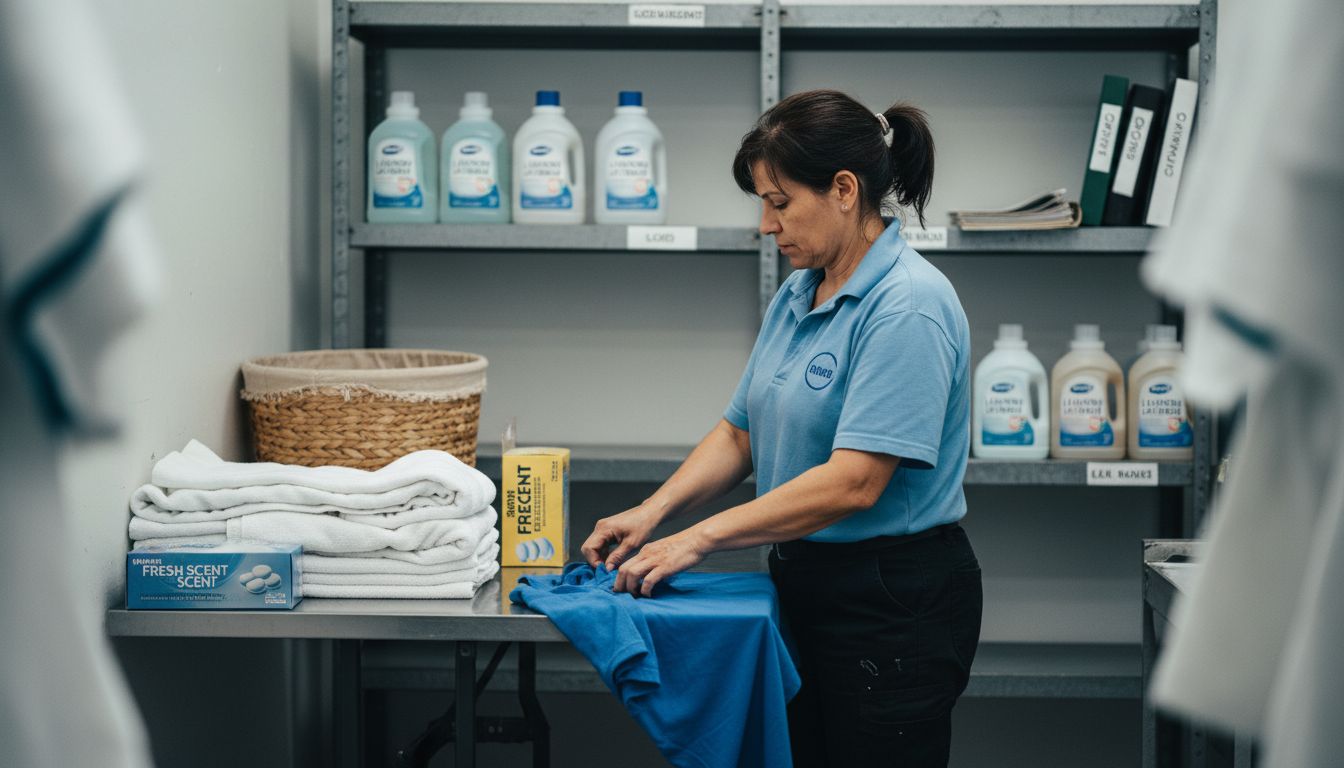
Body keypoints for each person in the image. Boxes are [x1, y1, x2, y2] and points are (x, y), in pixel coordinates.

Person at [581, 89, 982, 767]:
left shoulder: (907, 306)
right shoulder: (801, 291)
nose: (768, 225)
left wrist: (698, 540)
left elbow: (854, 484)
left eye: (779, 202)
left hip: (891, 601)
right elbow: (739, 433)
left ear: (844, 189)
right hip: (803, 580)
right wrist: (653, 513)